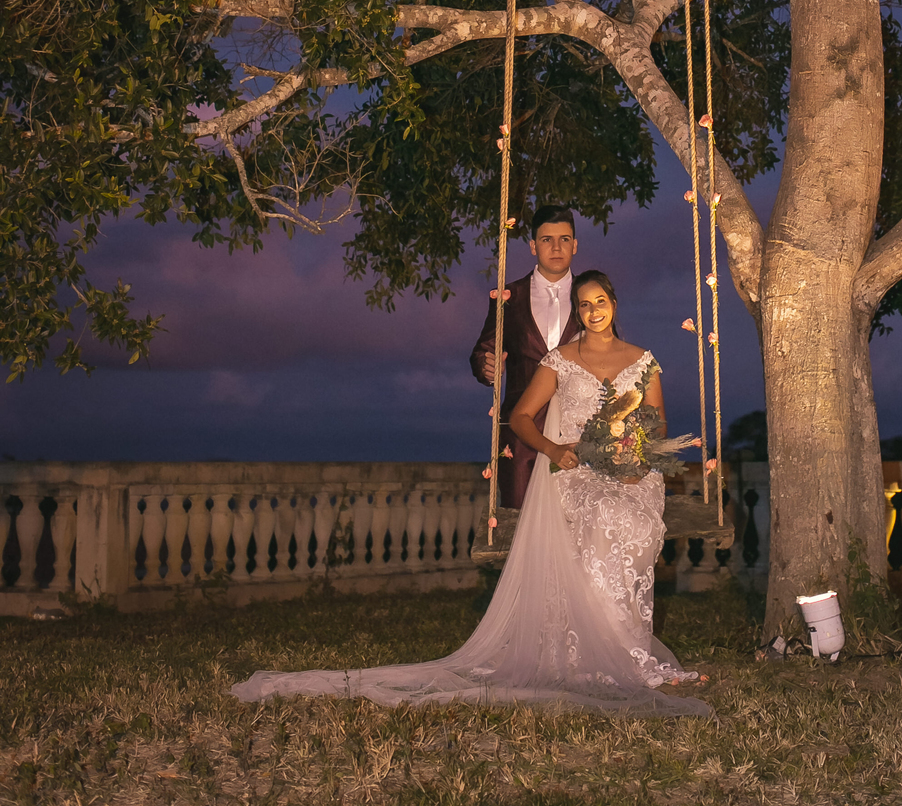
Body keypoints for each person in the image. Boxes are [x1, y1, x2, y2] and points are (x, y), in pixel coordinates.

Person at [230, 269, 708, 718]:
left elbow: (657, 423)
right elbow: (520, 417)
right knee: (604, 515)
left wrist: (635, 461)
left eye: (599, 301)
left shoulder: (642, 359)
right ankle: (593, 654)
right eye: (583, 306)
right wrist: (555, 448)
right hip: (577, 469)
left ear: (614, 303)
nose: (592, 311)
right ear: (578, 313)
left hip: (631, 472)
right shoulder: (562, 361)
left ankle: (629, 650)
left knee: (637, 522)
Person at [469, 205, 583, 508]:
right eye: (547, 239)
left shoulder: (591, 295)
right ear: (533, 245)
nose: (556, 247)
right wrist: (486, 365)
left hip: (580, 432)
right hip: (522, 434)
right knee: (519, 525)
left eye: (564, 239)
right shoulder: (509, 296)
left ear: (575, 244)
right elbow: (483, 349)